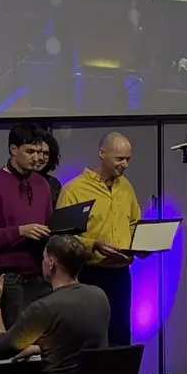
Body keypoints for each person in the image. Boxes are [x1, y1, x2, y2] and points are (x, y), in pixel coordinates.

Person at [0, 235, 111, 374]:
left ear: (51, 263)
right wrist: (39, 348)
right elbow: (78, 341)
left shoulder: (44, 308)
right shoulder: (100, 296)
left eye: (43, 258)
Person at [56, 132, 141, 346]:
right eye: (120, 159)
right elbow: (62, 237)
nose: (125, 165)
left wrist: (140, 246)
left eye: (128, 159)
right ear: (102, 154)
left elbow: (134, 223)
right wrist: (94, 245)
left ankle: (120, 370)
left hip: (120, 274)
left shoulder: (126, 187)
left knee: (120, 335)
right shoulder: (74, 190)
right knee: (90, 337)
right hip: (89, 274)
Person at [0, 122, 54, 327]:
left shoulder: (42, 184)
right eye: (30, 152)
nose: (36, 157)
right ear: (13, 149)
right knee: (16, 339)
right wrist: (20, 232)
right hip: (10, 280)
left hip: (41, 277)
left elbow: (49, 223)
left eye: (39, 152)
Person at [36, 128, 63, 209]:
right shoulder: (14, 182)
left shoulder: (53, 184)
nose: (41, 157)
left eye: (46, 153)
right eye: (37, 152)